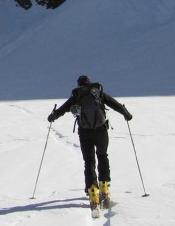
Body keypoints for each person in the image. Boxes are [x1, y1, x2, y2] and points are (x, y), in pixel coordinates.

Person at [47, 75, 132, 207]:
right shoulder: (97, 92)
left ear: (79, 84)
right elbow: (114, 104)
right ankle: (104, 187)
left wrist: (52, 116)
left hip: (85, 132)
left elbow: (63, 109)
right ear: (89, 83)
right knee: (103, 156)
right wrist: (126, 113)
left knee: (89, 160)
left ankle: (93, 191)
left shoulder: (77, 95)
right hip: (101, 130)